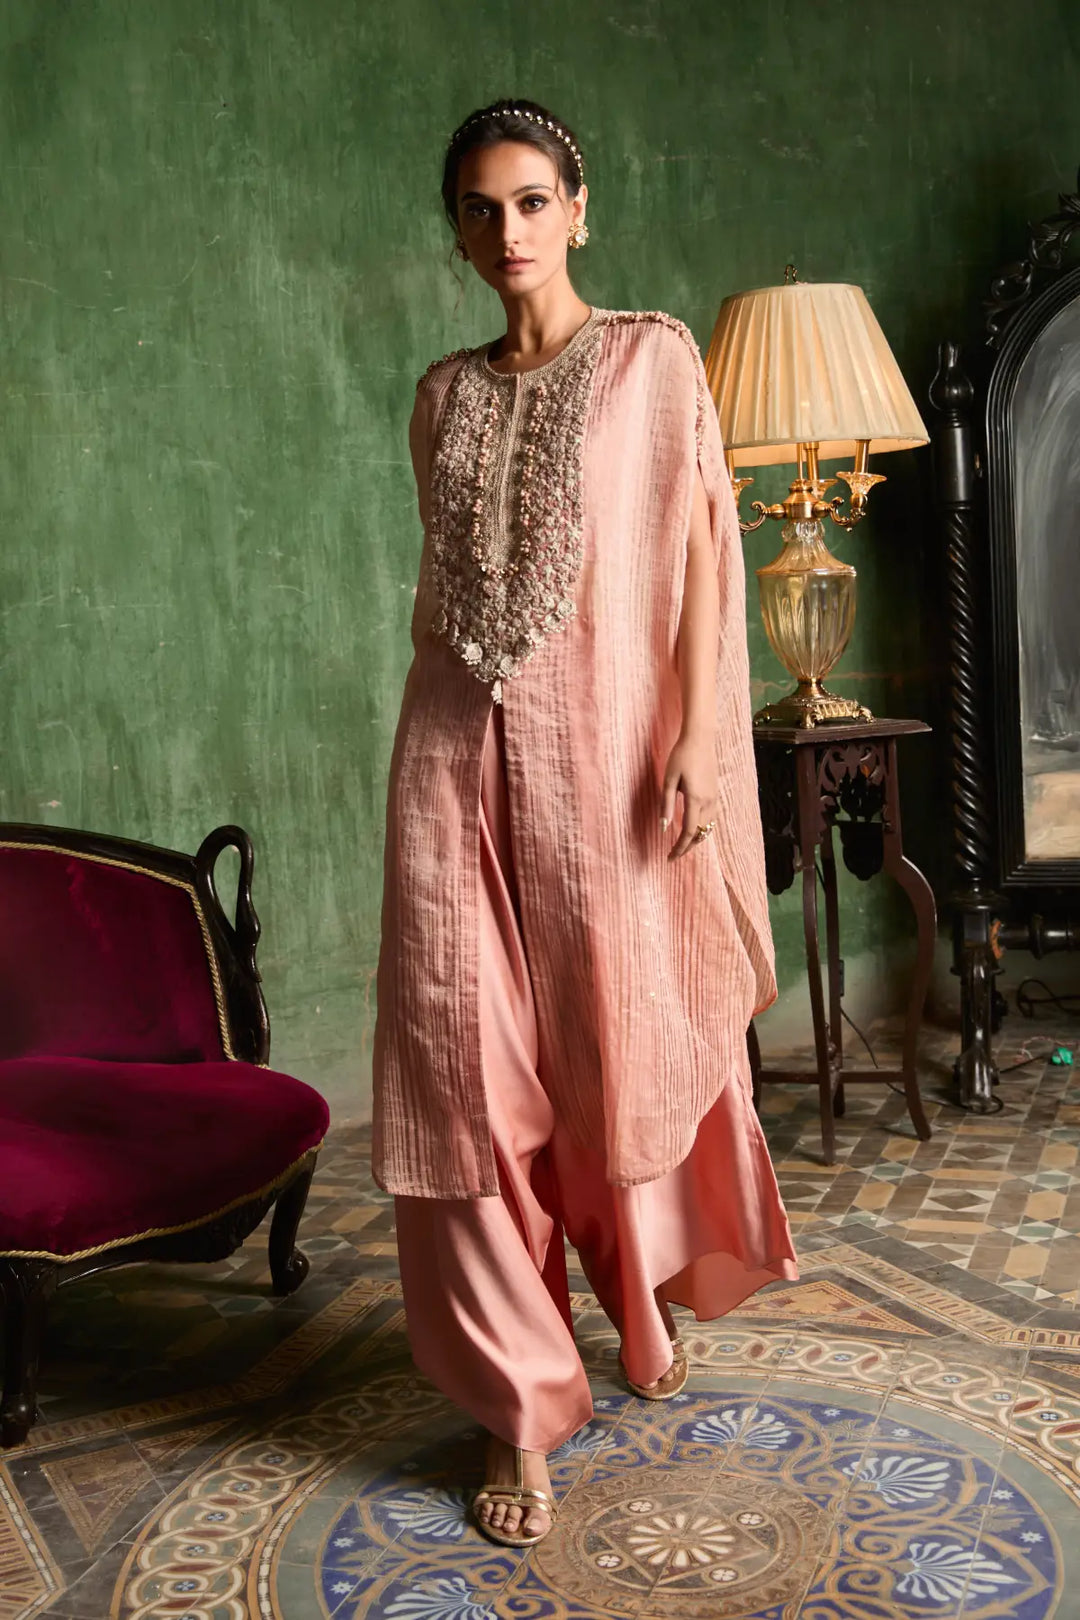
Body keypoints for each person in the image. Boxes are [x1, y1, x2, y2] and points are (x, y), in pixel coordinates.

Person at [371, 98, 796, 1550]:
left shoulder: (651, 359)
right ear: (455, 229)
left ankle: (638, 1299)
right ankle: (519, 1413)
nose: (509, 231)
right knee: (466, 1082)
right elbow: (452, 587)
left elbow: (700, 546)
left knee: (611, 1048)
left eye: (533, 202)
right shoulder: (441, 394)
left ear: (581, 209)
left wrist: (695, 736)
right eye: (480, 209)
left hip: (602, 760)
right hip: (449, 763)